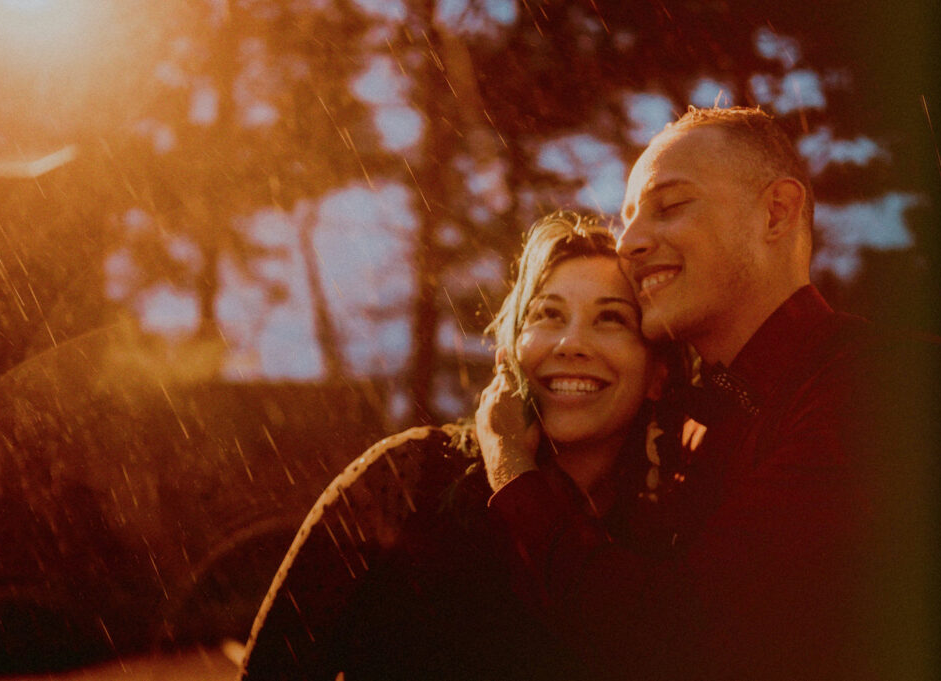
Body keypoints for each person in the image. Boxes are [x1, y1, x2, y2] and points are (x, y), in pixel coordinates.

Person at [477, 107, 941, 680]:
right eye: (629, 217)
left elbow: (680, 639)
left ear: (776, 213)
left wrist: (511, 466)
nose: (629, 242)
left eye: (670, 205)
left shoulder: (889, 389)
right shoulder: (685, 440)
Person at [238, 210, 693, 681]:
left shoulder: (662, 540)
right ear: (507, 354)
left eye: (611, 319)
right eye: (548, 314)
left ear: (659, 373)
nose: (571, 343)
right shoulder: (408, 479)